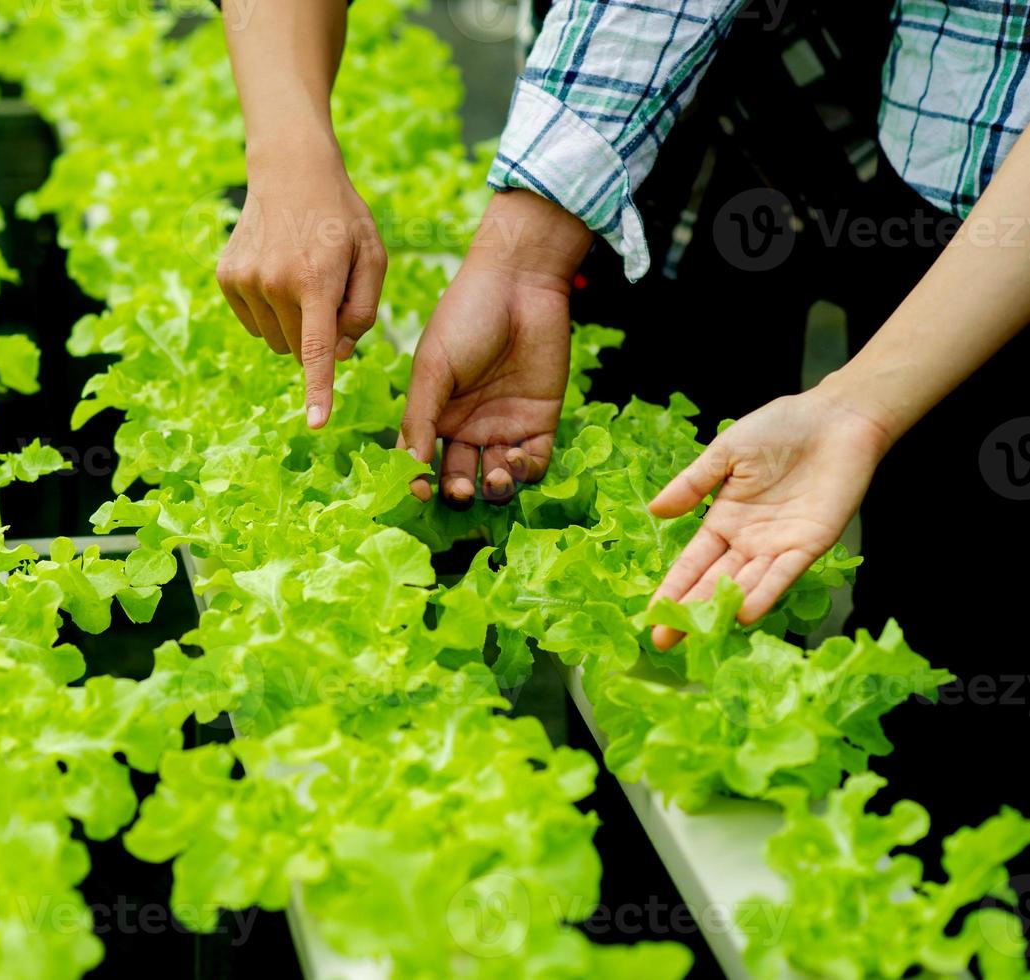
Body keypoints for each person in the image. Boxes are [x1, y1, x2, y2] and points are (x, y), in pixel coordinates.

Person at [212, 0, 1030, 648]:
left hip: (984, 169)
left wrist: (864, 406)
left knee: (964, 609)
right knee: (644, 577)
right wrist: (521, 258)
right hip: (665, 121)